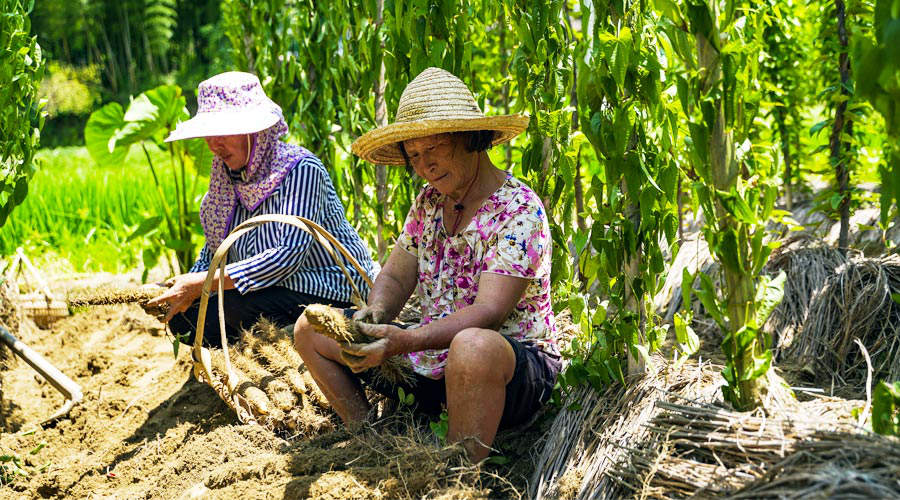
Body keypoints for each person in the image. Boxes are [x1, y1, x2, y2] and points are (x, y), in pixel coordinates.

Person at [293, 67, 560, 462]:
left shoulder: (519, 210)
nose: (425, 165)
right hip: (436, 360)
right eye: (414, 155)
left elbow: (488, 313)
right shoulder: (429, 202)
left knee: (471, 347)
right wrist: (375, 316)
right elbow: (398, 272)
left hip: (505, 369)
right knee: (310, 330)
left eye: (433, 149)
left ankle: (455, 473)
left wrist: (408, 340)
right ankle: (369, 441)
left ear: (468, 139)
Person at [148, 71, 374, 347]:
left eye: (222, 132)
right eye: (208, 134)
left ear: (253, 131)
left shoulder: (301, 171)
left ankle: (289, 343)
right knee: (184, 318)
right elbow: (214, 253)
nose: (213, 144)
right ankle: (256, 347)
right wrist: (180, 286)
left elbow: (285, 258)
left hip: (326, 287)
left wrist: (201, 284)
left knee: (233, 305)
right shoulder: (225, 180)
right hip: (265, 290)